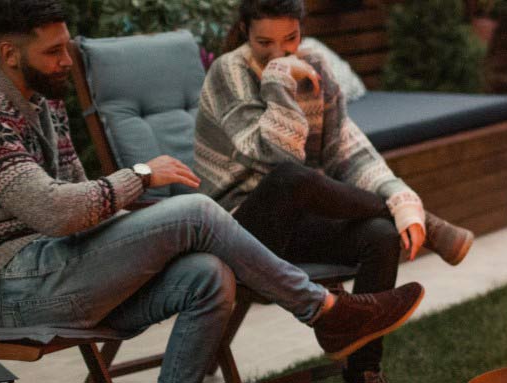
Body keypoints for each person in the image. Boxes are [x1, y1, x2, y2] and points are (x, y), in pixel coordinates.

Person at [0, 1, 422, 381]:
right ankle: (324, 310)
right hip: (10, 288)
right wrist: (140, 175)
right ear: (9, 54)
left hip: (61, 267)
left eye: (67, 48)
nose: (65, 62)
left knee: (207, 274)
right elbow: (54, 211)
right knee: (196, 214)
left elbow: (77, 197)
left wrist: (136, 231)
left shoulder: (43, 105)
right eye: (52, 52)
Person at [193, 1, 475, 381]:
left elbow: (347, 150)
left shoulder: (316, 69)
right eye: (265, 43)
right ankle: (432, 226)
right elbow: (276, 156)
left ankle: (363, 370)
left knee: (381, 236)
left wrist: (401, 197)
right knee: (292, 177)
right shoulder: (229, 71)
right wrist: (279, 76)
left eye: (290, 39)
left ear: (301, 30)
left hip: (296, 222)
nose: (280, 51)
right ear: (244, 31)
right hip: (238, 229)